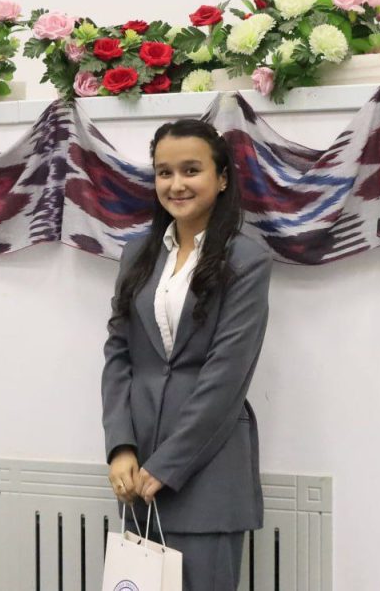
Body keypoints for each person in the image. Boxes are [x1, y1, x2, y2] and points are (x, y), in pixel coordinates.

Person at [101, 118, 272, 590]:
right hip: (135, 474)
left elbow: (227, 375)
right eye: (163, 172)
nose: (176, 184)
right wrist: (120, 447)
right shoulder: (137, 255)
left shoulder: (246, 260)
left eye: (191, 170)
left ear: (221, 179)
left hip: (208, 472)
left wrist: (167, 465)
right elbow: (119, 354)